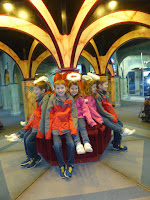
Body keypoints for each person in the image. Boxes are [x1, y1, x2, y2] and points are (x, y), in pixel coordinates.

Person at [6, 76, 52, 168]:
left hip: (42, 126)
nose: (34, 92)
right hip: (37, 123)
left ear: (43, 90)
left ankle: (35, 157)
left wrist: (34, 124)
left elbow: (43, 116)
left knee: (29, 139)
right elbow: (37, 113)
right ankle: (30, 156)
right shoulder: (41, 98)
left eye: (36, 90)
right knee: (26, 137)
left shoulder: (46, 99)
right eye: (34, 89)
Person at [45, 79, 78, 178]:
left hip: (67, 126)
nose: (60, 90)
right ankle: (61, 164)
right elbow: (48, 115)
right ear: (54, 89)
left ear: (66, 88)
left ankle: (71, 164)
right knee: (57, 145)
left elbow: (74, 115)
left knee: (71, 144)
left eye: (62, 88)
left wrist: (73, 128)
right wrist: (47, 131)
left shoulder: (70, 99)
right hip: (56, 127)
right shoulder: (52, 99)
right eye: (58, 88)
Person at [95, 80, 135, 151]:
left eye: (107, 85)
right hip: (103, 115)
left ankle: (115, 141)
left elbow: (109, 106)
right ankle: (116, 145)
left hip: (108, 113)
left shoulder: (105, 94)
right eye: (105, 85)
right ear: (99, 86)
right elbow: (101, 110)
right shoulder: (98, 96)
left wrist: (113, 115)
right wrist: (111, 117)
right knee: (117, 124)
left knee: (120, 123)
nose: (107, 86)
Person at [68, 81, 96, 154]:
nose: (74, 90)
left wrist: (90, 121)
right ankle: (78, 144)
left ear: (78, 89)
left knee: (82, 127)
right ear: (69, 89)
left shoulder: (80, 99)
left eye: (76, 88)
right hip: (72, 118)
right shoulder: (67, 99)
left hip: (80, 116)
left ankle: (86, 143)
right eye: (72, 88)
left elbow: (85, 110)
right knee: (74, 128)